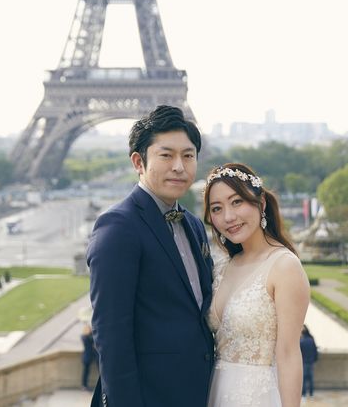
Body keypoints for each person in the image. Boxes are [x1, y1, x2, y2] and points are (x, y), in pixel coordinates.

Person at [86, 105, 214, 407]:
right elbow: (111, 335)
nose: (179, 166)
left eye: (188, 155)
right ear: (138, 162)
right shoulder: (118, 227)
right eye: (166, 155)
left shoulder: (194, 225)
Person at [204, 163, 310, 407]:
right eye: (217, 208)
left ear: (261, 203)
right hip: (215, 393)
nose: (228, 217)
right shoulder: (222, 266)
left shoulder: (284, 266)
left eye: (237, 202)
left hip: (259, 397)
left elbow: (289, 355)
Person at [300, 325, 318, 399]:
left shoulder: (301, 341)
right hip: (310, 362)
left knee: (303, 379)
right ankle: (311, 394)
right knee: (311, 379)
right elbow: (315, 351)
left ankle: (303, 394)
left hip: (304, 362)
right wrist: (314, 359)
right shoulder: (311, 340)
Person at [80, 323, 98, 392]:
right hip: (88, 356)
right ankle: (84, 386)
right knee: (86, 372)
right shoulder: (88, 338)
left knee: (86, 372)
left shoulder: (84, 337)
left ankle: (84, 386)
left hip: (87, 356)